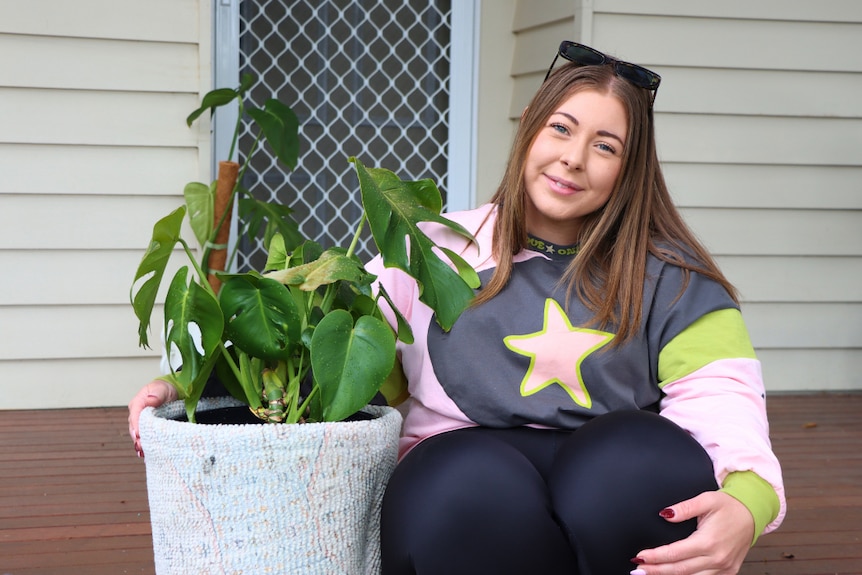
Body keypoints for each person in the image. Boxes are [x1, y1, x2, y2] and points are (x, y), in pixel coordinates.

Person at [129, 41, 784, 575]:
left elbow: (724, 405)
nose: (573, 158)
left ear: (630, 168)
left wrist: (748, 507)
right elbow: (337, 368)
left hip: (610, 486)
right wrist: (194, 385)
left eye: (605, 146)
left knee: (628, 466)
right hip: (464, 475)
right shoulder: (431, 247)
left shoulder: (673, 278)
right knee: (464, 488)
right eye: (562, 128)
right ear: (531, 129)